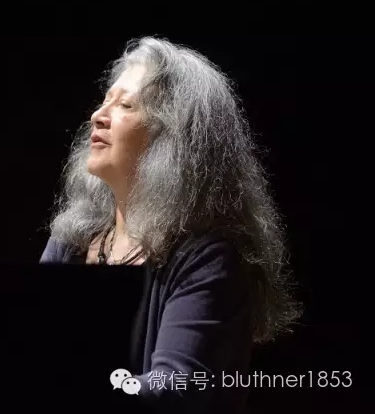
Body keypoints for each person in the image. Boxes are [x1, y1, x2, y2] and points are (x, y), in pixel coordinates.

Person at [39, 37, 301, 413]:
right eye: (105, 100)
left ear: (171, 139)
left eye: (125, 105)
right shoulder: (73, 239)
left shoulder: (209, 258)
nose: (98, 115)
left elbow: (177, 386)